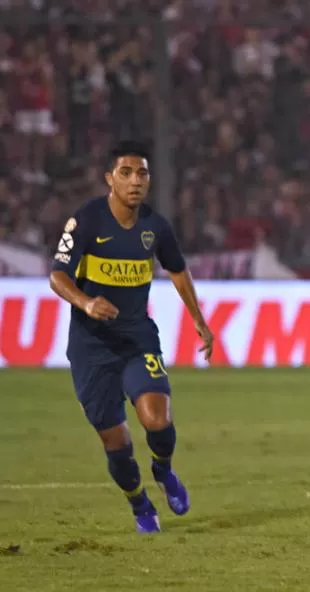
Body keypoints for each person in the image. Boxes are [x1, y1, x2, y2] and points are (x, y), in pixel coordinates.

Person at [49, 141, 214, 533]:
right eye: (126, 173)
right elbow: (58, 276)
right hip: (91, 347)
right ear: (110, 179)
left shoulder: (155, 226)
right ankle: (139, 502)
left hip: (138, 338)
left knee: (157, 419)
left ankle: (164, 470)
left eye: (142, 173)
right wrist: (87, 303)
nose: (135, 181)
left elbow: (177, 270)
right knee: (116, 443)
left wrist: (199, 320)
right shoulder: (88, 220)